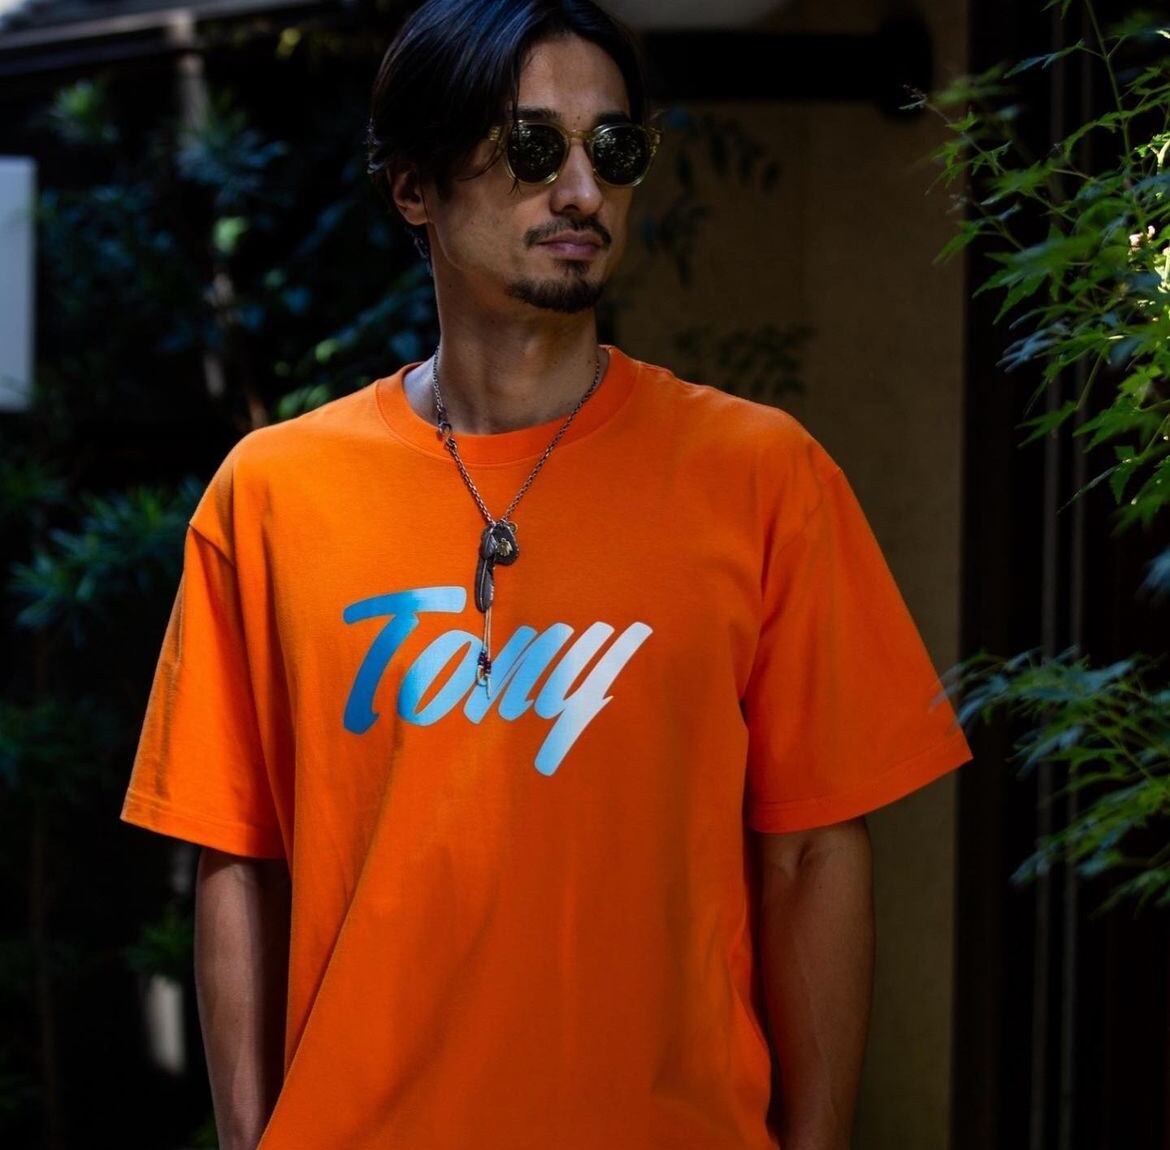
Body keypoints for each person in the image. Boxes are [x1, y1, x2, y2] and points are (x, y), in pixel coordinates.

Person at [120, 1, 973, 1147]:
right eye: (530, 147)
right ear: (413, 186)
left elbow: (814, 853)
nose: (582, 191)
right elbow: (239, 860)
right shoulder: (271, 493)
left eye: (613, 148)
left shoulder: (763, 478)